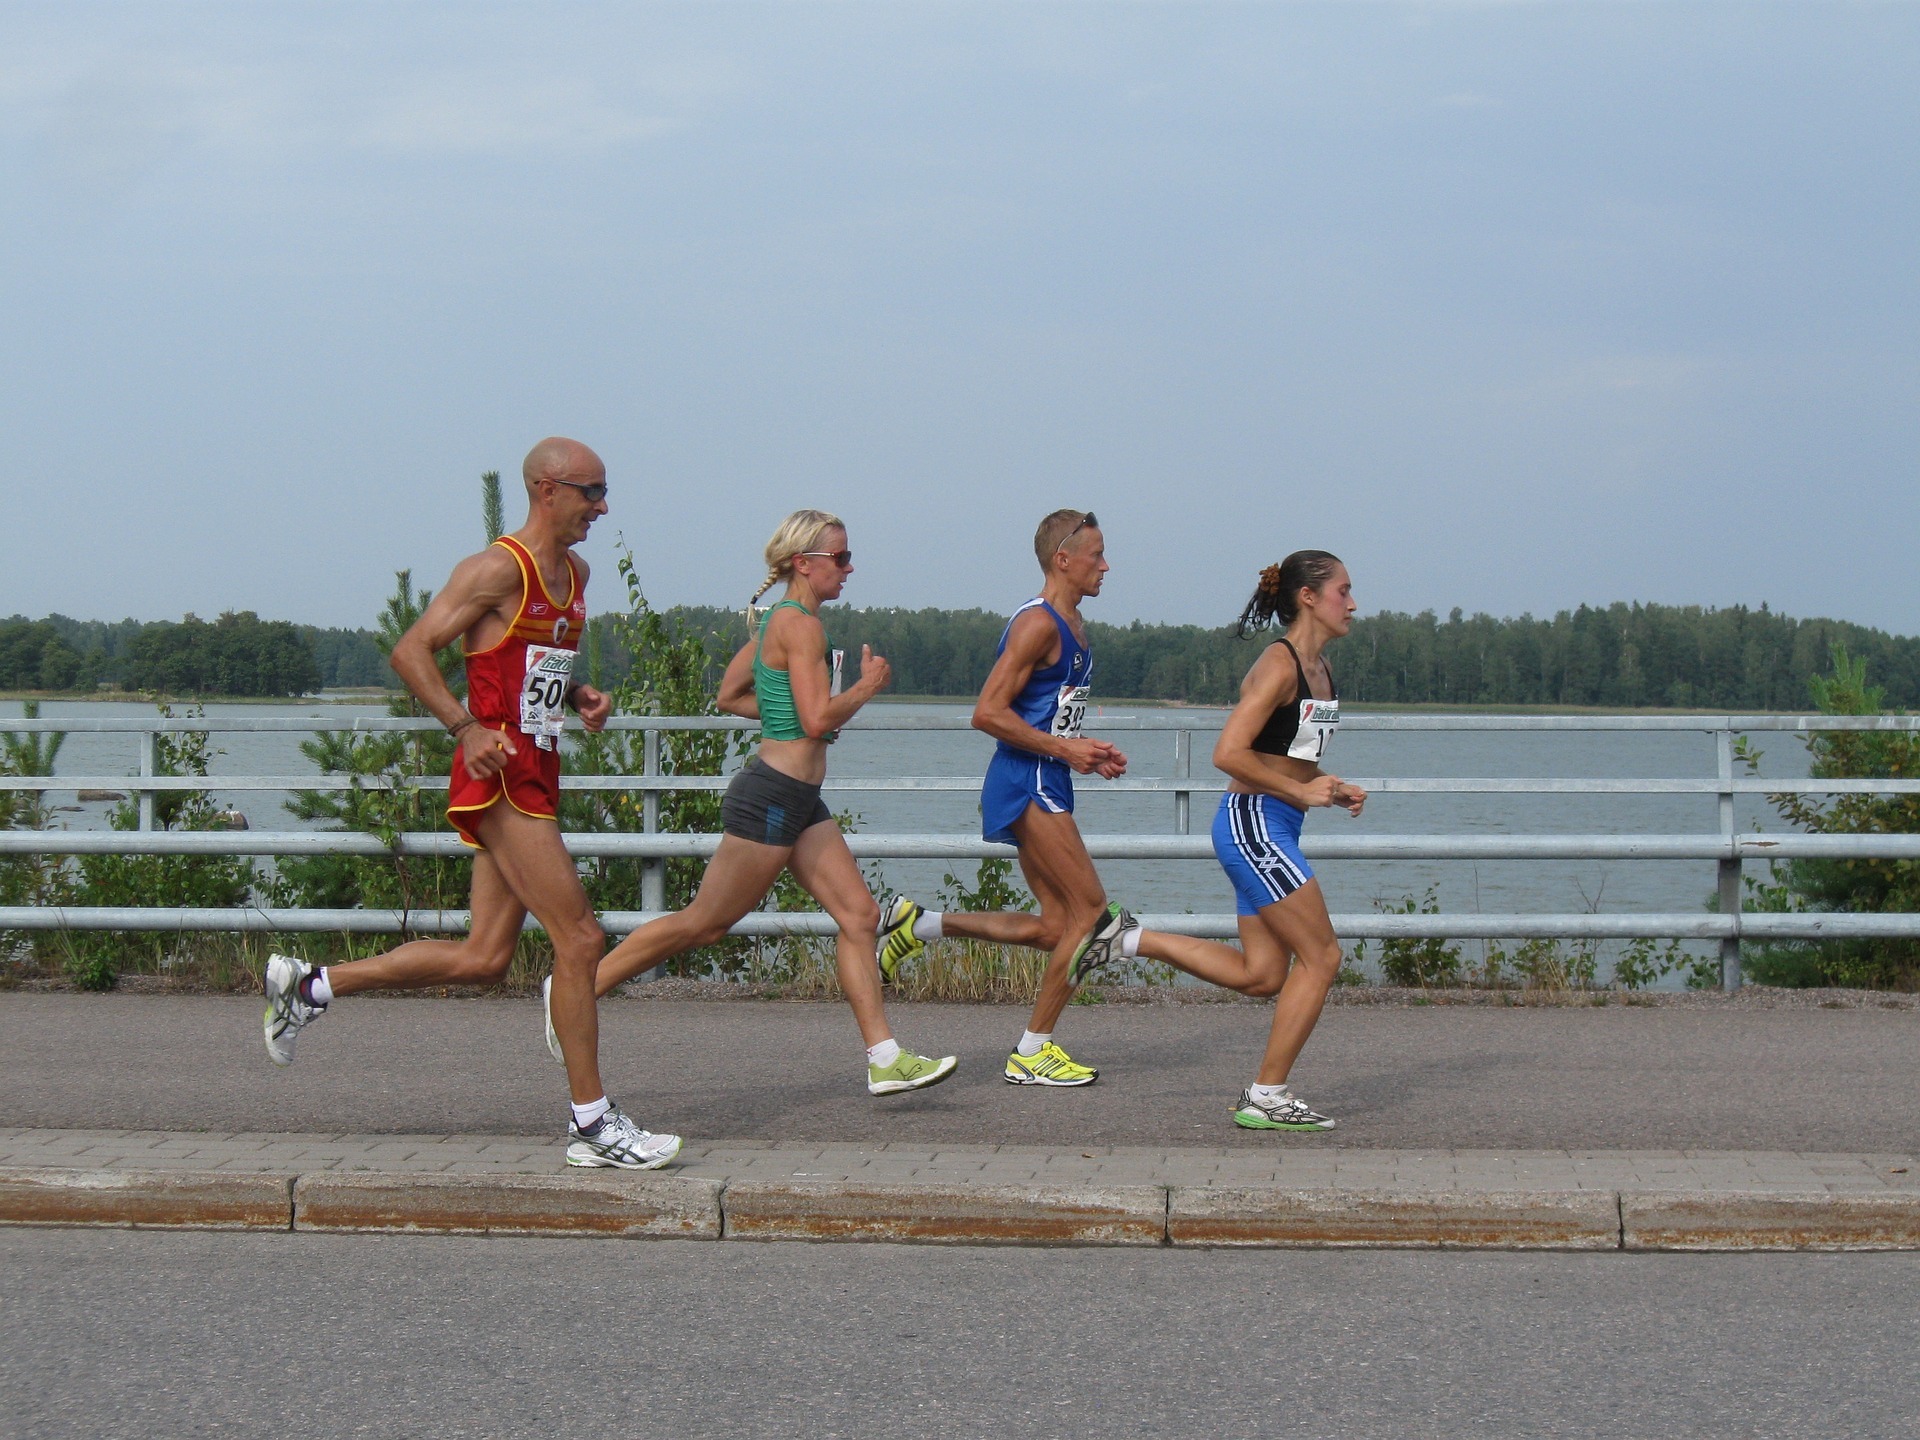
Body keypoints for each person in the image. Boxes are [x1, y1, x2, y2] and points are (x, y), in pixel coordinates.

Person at [260, 438, 682, 1171]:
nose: (603, 507)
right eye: (592, 491)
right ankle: (591, 1124)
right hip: (500, 779)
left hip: (537, 771)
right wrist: (466, 726)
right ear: (547, 490)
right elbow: (411, 651)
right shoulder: (495, 568)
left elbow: (530, 667)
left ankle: (312, 984)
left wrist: (577, 693)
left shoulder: (576, 573)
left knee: (485, 957)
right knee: (580, 941)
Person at [563, 509, 957, 1096]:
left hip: (798, 798)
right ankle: (571, 994)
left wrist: (802, 721)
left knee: (858, 917)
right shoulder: (800, 625)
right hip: (773, 796)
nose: (850, 569)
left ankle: (885, 1057)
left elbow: (731, 696)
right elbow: (819, 715)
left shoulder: (777, 619)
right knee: (704, 923)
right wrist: (866, 688)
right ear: (804, 563)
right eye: (840, 558)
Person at [1074, 551, 1365, 1130]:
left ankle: (1127, 939)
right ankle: (1266, 1094)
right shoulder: (1279, 666)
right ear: (1308, 597)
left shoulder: (1322, 670)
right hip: (1252, 821)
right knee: (1323, 956)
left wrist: (1325, 790)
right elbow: (1226, 754)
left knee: (1262, 975)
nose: (1353, 604)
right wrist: (1300, 792)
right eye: (1344, 591)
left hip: (1275, 821)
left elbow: (1289, 756)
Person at [875, 509, 1132, 1087]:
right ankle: (1033, 1051)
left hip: (1048, 775)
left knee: (1057, 926)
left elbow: (1048, 714)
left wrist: (1082, 750)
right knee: (1093, 916)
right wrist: (1065, 752)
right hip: (1026, 779)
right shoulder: (1037, 624)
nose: (1106, 565)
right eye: (1097, 554)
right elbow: (986, 712)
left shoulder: (1075, 626)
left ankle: (920, 926)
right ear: (1063, 559)